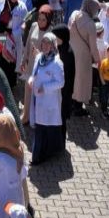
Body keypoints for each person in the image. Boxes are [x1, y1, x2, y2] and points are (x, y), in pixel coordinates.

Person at [25, 32, 65, 164]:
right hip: (37, 99)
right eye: (44, 42)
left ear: (53, 45)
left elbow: (60, 82)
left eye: (49, 43)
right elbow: (34, 73)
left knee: (44, 128)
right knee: (41, 127)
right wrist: (31, 80)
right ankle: (40, 155)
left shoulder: (57, 63)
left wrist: (45, 87)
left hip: (49, 101)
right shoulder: (39, 58)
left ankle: (38, 157)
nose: (45, 45)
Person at [67, 0, 102, 115]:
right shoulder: (90, 24)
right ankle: (78, 107)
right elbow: (93, 46)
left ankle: (70, 103)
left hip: (71, 52)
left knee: (72, 79)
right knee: (81, 82)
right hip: (83, 56)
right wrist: (98, 60)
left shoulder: (74, 14)